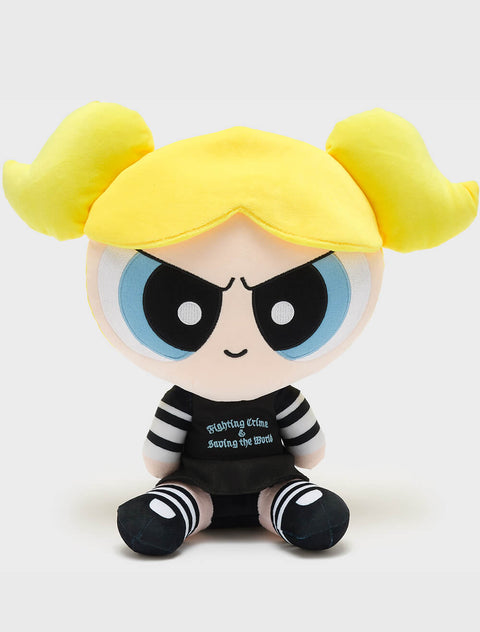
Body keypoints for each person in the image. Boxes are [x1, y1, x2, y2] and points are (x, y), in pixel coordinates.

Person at [4, 103, 477, 555]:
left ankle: (280, 508)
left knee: (299, 501)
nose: (234, 343)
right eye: (183, 307)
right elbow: (307, 451)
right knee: (176, 500)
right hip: (196, 481)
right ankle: (185, 509)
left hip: (275, 479)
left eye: (288, 307)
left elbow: (161, 457)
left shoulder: (271, 398)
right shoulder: (189, 401)